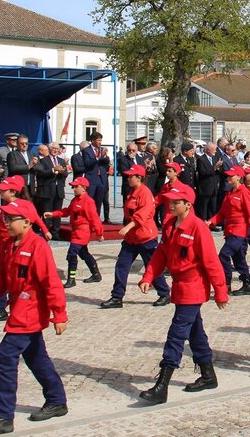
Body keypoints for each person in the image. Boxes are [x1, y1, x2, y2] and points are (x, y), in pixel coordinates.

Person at [0, 199, 69, 434]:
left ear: (26, 222)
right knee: (36, 357)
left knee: (4, 359)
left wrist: (59, 314)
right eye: (4, 218)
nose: (5, 223)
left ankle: (3, 415)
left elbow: (51, 282)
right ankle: (57, 400)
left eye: (10, 219)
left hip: (30, 311)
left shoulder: (38, 246)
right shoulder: (9, 245)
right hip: (18, 307)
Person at [137, 182, 228, 404]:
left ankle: (162, 385)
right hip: (179, 287)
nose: (170, 205)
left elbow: (211, 262)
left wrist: (221, 291)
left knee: (177, 334)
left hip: (194, 287)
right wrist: (148, 276)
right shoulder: (170, 225)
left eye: (175, 202)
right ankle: (208, 375)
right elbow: (161, 254)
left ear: (187, 205)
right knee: (195, 333)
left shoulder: (198, 227)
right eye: (169, 201)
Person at [0, 176, 53, 323]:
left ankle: (3, 308)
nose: (1, 193)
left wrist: (45, 230)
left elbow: (36, 218)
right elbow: (2, 226)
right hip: (5, 247)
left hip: (17, 247)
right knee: (2, 275)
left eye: (3, 190)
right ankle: (2, 307)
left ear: (13, 192)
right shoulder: (5, 208)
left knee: (13, 278)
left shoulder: (24, 206)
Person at [101, 165, 170, 308]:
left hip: (145, 238)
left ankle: (164, 293)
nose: (127, 178)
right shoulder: (132, 192)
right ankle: (117, 297)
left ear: (139, 177)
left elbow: (142, 215)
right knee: (121, 265)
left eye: (130, 176)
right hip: (131, 239)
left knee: (152, 266)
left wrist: (127, 227)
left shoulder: (144, 193)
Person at [209, 165, 250, 296]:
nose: (228, 177)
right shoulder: (229, 194)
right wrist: (211, 221)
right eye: (228, 175)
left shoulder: (244, 192)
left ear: (239, 177)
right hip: (229, 230)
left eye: (231, 176)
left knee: (223, 255)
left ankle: (226, 283)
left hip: (239, 231)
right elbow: (222, 213)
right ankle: (247, 285)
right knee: (239, 258)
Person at [45, 176, 104, 287]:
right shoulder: (75, 199)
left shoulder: (88, 201)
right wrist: (53, 214)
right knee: (84, 254)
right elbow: (67, 211)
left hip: (82, 232)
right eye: (73, 187)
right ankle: (96, 274)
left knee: (72, 254)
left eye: (76, 187)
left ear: (84, 188)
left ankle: (71, 279)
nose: (74, 189)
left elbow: (94, 219)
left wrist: (99, 233)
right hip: (76, 231)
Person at [82, 132, 112, 217]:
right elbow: (87, 163)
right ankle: (88, 218)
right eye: (98, 140)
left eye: (101, 140)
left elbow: (107, 162)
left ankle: (96, 219)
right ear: (93, 140)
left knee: (99, 201)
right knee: (90, 200)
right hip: (92, 178)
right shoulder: (86, 151)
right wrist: (98, 157)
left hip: (101, 178)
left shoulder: (102, 149)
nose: (100, 142)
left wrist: (105, 156)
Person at [195, 142, 220, 220]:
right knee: (204, 207)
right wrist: (214, 168)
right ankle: (203, 223)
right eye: (214, 150)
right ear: (209, 150)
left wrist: (219, 168)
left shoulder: (215, 158)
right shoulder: (201, 159)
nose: (215, 151)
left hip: (214, 186)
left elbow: (218, 172)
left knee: (212, 206)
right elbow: (202, 172)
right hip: (205, 187)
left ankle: (211, 223)